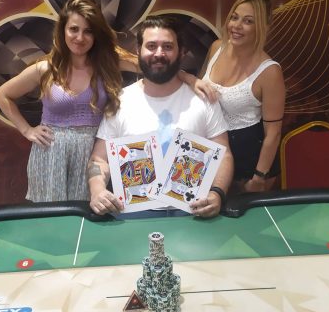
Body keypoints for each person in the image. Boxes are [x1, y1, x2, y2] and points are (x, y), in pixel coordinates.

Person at [88, 15, 234, 218]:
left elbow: (224, 155)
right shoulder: (120, 102)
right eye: (151, 46)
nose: (159, 53)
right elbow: (98, 160)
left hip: (193, 213)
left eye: (167, 46)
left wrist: (217, 193)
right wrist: (97, 190)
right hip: (132, 216)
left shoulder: (203, 99)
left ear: (181, 52)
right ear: (138, 51)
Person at [0, 0, 128, 203]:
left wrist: (184, 76)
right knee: (50, 217)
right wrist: (27, 130)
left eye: (88, 31)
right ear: (63, 30)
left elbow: (148, 65)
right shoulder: (45, 69)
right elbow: (2, 95)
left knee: (90, 212)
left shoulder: (107, 64)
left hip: (93, 155)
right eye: (74, 29)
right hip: (50, 154)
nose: (80, 38)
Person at [199, 0, 285, 193]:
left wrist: (259, 177)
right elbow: (198, 89)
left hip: (248, 166)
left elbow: (273, 133)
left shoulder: (270, 71)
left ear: (262, 27)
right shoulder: (216, 47)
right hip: (210, 154)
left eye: (248, 21)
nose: (236, 26)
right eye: (234, 17)